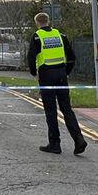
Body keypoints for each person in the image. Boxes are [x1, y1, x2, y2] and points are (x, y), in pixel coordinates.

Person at [26, 12, 86, 155]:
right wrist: (66, 72)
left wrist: (34, 73)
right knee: (66, 108)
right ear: (48, 21)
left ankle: (54, 144)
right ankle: (79, 139)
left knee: (51, 110)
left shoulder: (37, 37)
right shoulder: (60, 35)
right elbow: (71, 57)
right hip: (61, 74)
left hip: (46, 75)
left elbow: (31, 58)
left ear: (37, 23)